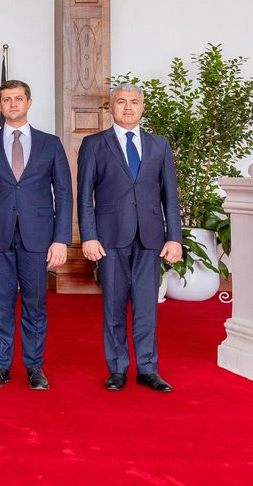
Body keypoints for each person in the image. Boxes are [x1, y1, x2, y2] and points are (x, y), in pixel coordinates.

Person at [0, 80, 72, 391]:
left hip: (38, 237)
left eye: (18, 98)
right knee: (0, 305)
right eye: (6, 99)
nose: (13, 104)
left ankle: (34, 367)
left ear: (29, 102)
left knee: (35, 305)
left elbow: (64, 193)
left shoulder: (50, 144)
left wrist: (61, 239)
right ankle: (1, 367)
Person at [77, 83, 182, 393]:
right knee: (113, 306)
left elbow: (170, 196)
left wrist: (174, 237)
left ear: (142, 107)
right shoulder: (94, 144)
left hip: (150, 238)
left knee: (147, 307)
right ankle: (117, 368)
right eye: (121, 102)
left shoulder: (159, 145)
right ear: (111, 107)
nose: (128, 107)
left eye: (134, 102)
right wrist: (89, 236)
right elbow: (84, 196)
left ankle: (148, 369)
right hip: (110, 238)